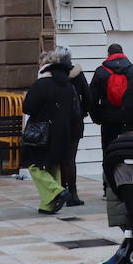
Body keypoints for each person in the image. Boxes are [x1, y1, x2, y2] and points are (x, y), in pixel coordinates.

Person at [22, 48, 84, 215]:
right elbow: (74, 111)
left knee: (33, 165)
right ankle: (48, 204)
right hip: (63, 132)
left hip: (42, 132)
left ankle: (56, 191)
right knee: (53, 165)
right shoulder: (67, 85)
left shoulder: (41, 83)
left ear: (44, 65)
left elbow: (27, 107)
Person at [56, 45, 91, 206]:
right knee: (71, 159)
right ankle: (73, 194)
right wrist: (85, 111)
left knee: (59, 158)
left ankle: (60, 191)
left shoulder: (53, 75)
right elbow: (88, 96)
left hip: (56, 122)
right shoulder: (78, 74)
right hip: (75, 122)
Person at [90, 43, 133, 149]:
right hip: (128, 119)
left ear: (108, 54)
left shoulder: (101, 71)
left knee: (109, 149)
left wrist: (97, 118)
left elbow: (93, 98)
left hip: (108, 118)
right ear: (122, 53)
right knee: (129, 149)